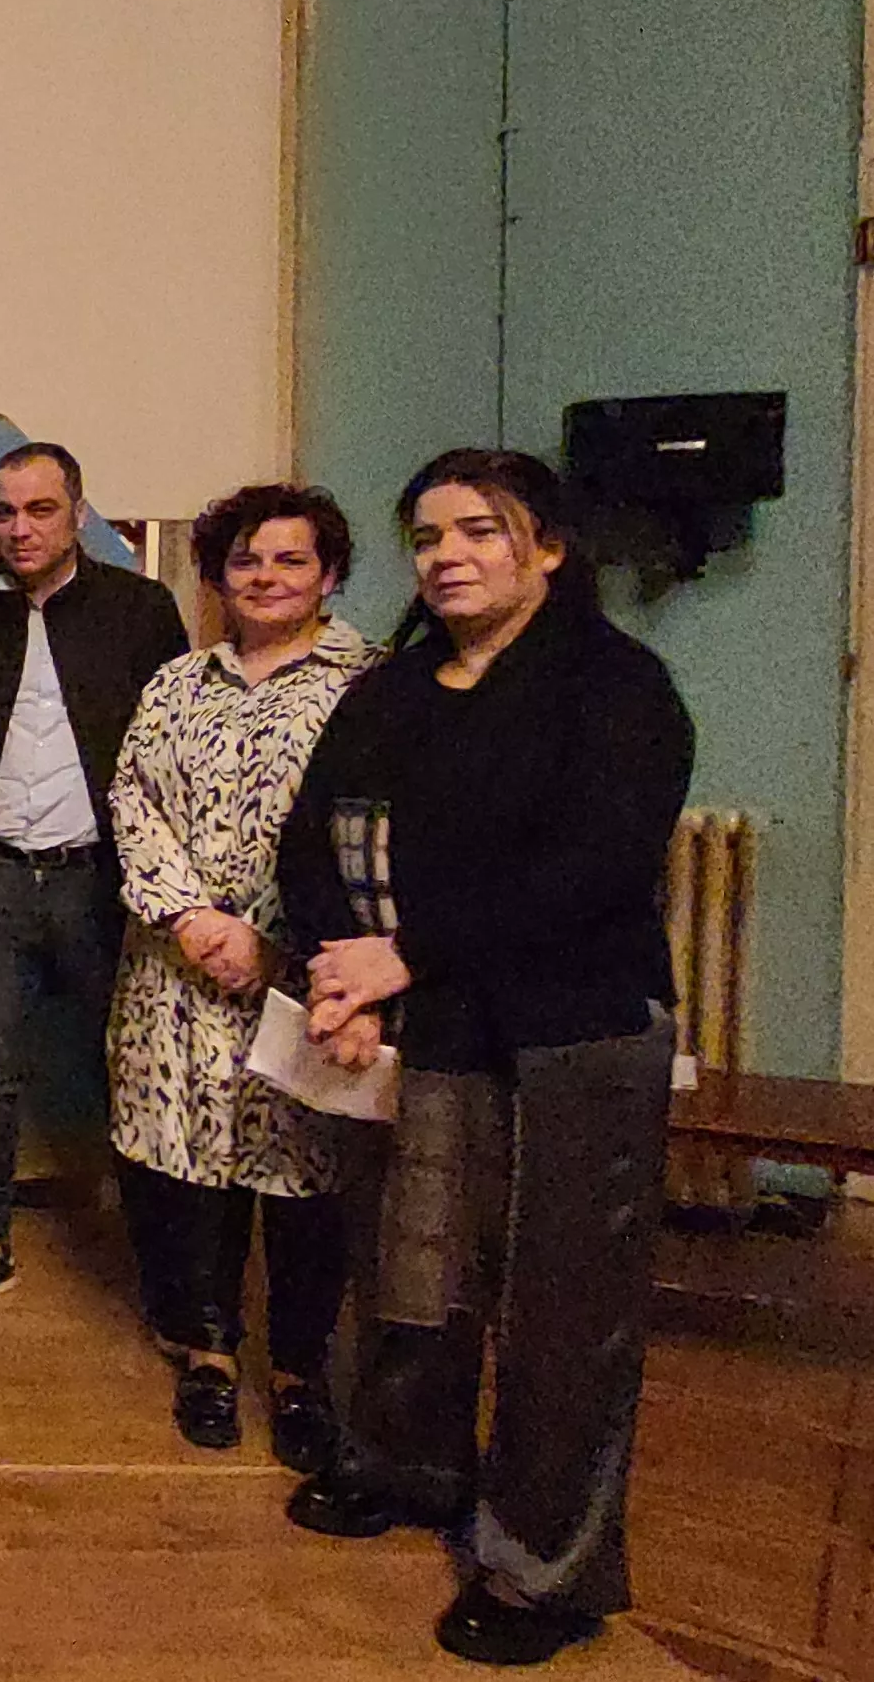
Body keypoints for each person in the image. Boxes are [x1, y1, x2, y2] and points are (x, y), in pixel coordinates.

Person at [278, 450, 691, 1669]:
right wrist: (336, 970)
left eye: (478, 531)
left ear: (546, 549)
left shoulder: (616, 691)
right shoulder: (390, 692)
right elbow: (313, 840)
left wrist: (402, 956)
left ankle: (541, 1571)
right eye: (427, 535)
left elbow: (588, 870)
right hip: (425, 1032)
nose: (446, 554)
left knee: (559, 1310)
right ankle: (403, 1464)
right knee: (410, 1269)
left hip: (574, 1034)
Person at [105, 484, 376, 1465]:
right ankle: (207, 1353)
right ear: (216, 574)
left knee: (302, 1181)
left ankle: (301, 1375)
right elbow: (131, 798)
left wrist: (271, 944)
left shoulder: (368, 685)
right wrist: (187, 916)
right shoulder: (175, 684)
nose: (263, 578)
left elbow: (370, 835)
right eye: (245, 561)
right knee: (191, 1174)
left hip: (307, 976)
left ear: (327, 574)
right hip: (176, 969)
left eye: (288, 560)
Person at [0, 441, 189, 1317]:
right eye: (3, 512)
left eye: (39, 510)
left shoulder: (139, 609)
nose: (18, 529)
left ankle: (161, 1263)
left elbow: (167, 752)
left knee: (132, 1068)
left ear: (77, 511)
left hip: (101, 882)